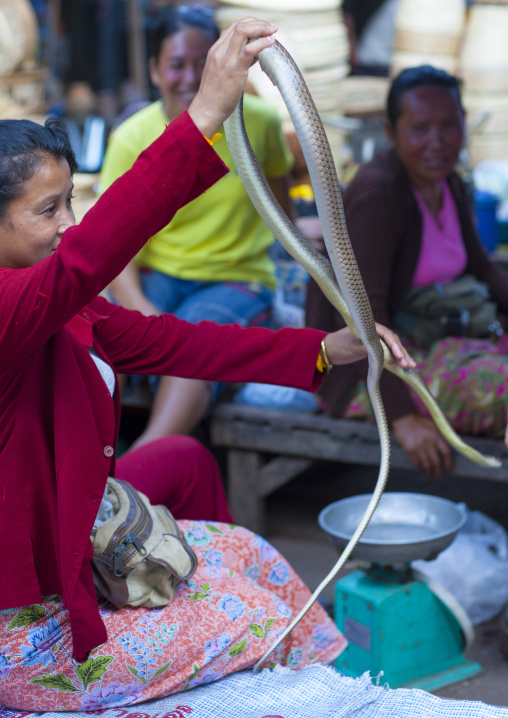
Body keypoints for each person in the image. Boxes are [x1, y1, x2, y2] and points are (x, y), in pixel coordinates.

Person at [0, 19, 413, 711]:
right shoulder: (16, 305)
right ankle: (329, 700)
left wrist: (323, 347)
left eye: (73, 201)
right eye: (49, 209)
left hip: (70, 538)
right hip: (24, 632)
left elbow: (175, 344)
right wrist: (204, 115)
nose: (70, 222)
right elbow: (93, 251)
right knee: (261, 618)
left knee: (240, 538)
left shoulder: (60, 306)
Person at [100, 4, 294, 449]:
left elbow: (279, 204)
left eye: (200, 63)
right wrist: (139, 310)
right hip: (157, 278)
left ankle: (138, 475)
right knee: (103, 336)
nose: (189, 77)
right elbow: (111, 243)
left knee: (192, 343)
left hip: (237, 280)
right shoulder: (131, 136)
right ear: (153, 69)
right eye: (175, 64)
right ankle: (92, 460)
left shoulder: (259, 124)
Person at [306, 64, 508, 481]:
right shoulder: (380, 196)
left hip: (431, 343)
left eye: (449, 126)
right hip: (368, 373)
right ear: (391, 131)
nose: (437, 142)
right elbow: (363, 317)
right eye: (420, 129)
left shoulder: (448, 181)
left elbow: (483, 269)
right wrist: (399, 417)